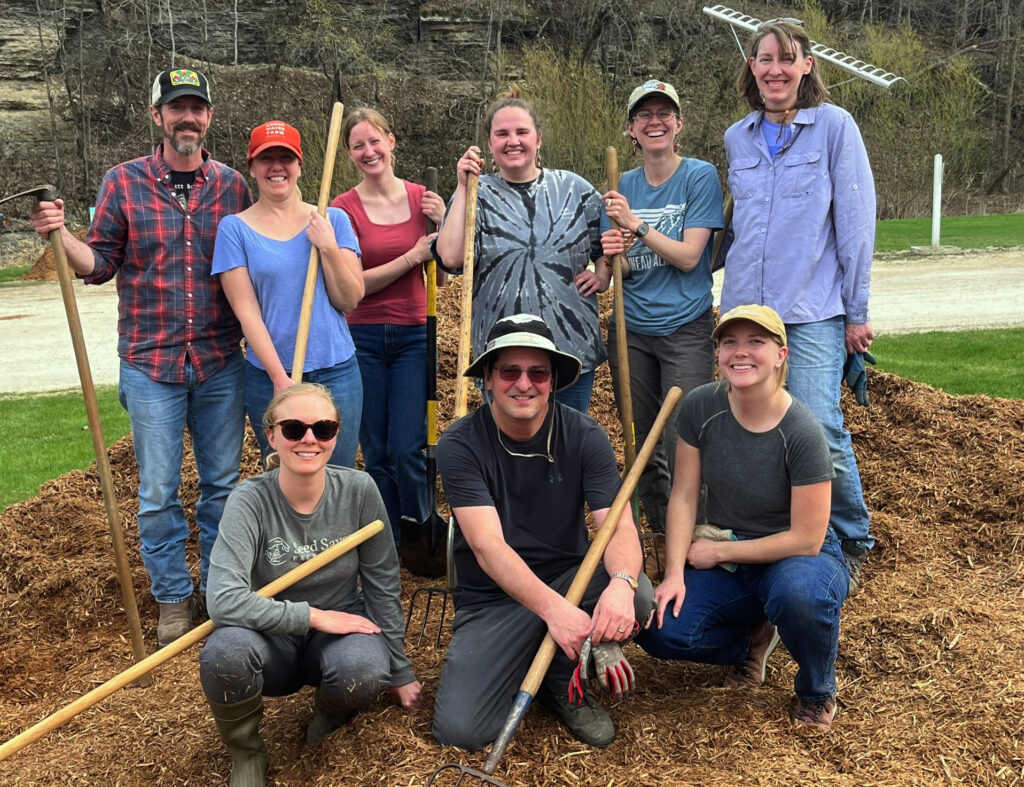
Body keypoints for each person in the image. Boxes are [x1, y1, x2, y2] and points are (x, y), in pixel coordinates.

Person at [29, 68, 251, 646]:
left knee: (223, 486)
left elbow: (257, 254)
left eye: (197, 108)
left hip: (219, 360)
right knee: (157, 493)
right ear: (156, 116)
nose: (188, 118)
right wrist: (59, 235)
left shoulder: (231, 186)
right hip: (150, 363)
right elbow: (99, 264)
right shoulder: (123, 182)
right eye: (176, 108)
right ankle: (174, 600)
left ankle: (221, 589)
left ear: (208, 116)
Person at [432, 313, 654, 751]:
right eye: (509, 371)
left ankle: (560, 677)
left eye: (537, 372)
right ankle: (554, 645)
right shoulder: (459, 444)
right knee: (461, 732)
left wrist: (623, 584)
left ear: (553, 380)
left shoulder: (585, 436)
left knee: (640, 594)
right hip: (494, 598)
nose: (524, 384)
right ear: (489, 380)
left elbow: (617, 526)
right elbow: (486, 546)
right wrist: (555, 613)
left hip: (570, 581)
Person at [636, 305, 849, 732]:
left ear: (781, 355)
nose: (740, 352)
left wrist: (719, 551)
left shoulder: (802, 432)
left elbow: (807, 538)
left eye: (756, 342)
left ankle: (816, 691)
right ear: (717, 354)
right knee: (661, 630)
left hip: (796, 556)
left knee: (801, 597)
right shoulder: (701, 407)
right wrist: (674, 572)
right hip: (732, 554)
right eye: (729, 342)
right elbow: (682, 495)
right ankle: (750, 641)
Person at [199, 383, 421, 785]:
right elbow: (223, 600)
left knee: (366, 670)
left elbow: (383, 584)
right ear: (271, 435)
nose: (308, 439)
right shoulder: (249, 501)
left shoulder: (358, 490)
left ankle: (330, 715)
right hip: (268, 641)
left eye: (323, 428)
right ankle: (247, 754)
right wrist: (315, 617)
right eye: (293, 428)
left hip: (337, 638)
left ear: (336, 434)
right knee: (224, 657)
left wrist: (400, 671)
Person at [721, 19, 875, 591]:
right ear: (752, 68)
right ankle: (776, 535)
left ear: (807, 65)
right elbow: (734, 229)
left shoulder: (834, 128)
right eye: (765, 58)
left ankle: (851, 538)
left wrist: (857, 311)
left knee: (818, 427)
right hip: (744, 313)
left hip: (810, 311)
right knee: (753, 429)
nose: (775, 68)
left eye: (787, 58)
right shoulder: (739, 137)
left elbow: (855, 225)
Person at [597, 79, 723, 535]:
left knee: (686, 439)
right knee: (641, 440)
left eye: (663, 114)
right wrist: (610, 258)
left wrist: (637, 224)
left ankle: (701, 534)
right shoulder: (619, 186)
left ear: (678, 124)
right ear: (631, 128)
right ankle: (660, 535)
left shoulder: (699, 176)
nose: (655, 122)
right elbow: (620, 269)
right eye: (644, 116)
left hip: (685, 328)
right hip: (631, 331)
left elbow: (691, 257)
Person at [432, 87, 606, 413]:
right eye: (502, 134)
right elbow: (452, 257)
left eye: (522, 132)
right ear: (490, 143)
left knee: (565, 451)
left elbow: (610, 246)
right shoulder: (475, 195)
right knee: (509, 454)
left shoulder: (574, 189)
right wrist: (461, 185)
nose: (513, 141)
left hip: (569, 351)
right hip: (502, 355)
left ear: (538, 138)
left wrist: (604, 273)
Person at [212, 120, 365, 469]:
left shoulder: (333, 220)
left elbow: (349, 299)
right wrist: (280, 380)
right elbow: (246, 312)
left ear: (299, 165)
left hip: (337, 372)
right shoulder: (234, 229)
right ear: (252, 167)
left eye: (286, 157)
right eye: (267, 158)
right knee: (285, 482)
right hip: (270, 377)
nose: (277, 166)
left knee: (338, 477)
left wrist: (328, 248)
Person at [330, 108, 445, 544]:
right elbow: (353, 287)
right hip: (360, 338)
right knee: (376, 450)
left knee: (407, 447)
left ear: (392, 142)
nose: (368, 151)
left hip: (415, 335)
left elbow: (448, 270)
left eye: (374, 141)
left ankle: (421, 530)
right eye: (358, 145)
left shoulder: (424, 199)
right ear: (349, 154)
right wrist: (411, 257)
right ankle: (388, 538)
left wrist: (446, 219)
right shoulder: (343, 209)